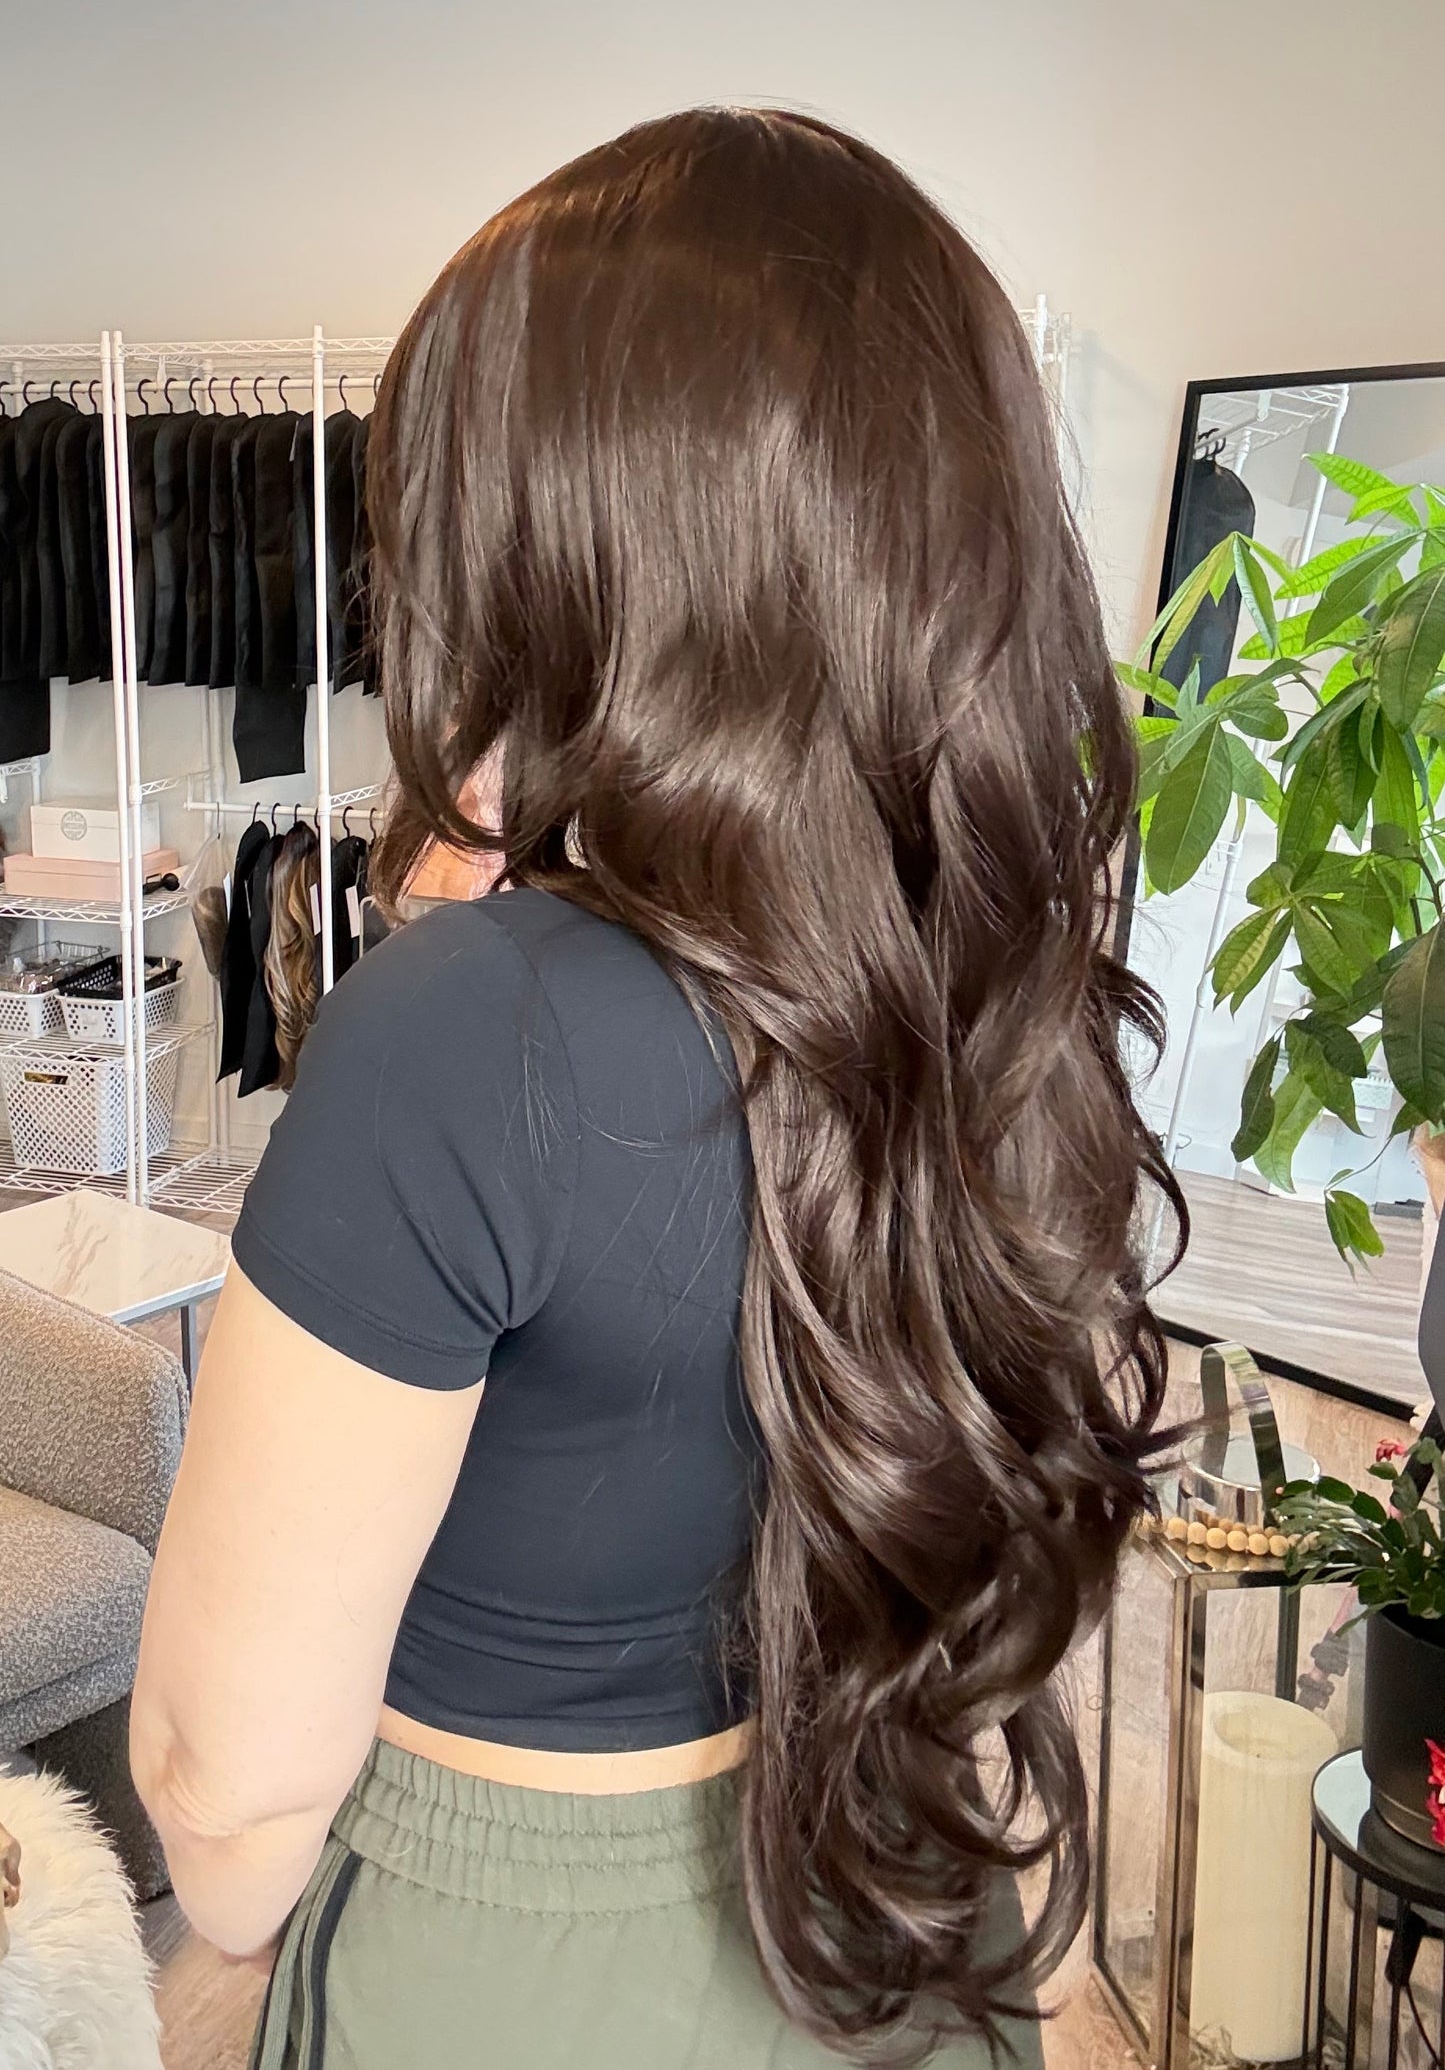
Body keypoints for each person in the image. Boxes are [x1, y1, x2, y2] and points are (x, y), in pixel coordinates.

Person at [130, 107, 1181, 2069]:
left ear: (567, 549)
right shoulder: (995, 997)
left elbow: (226, 1787)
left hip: (520, 1975)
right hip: (913, 1929)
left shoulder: (465, 1033)